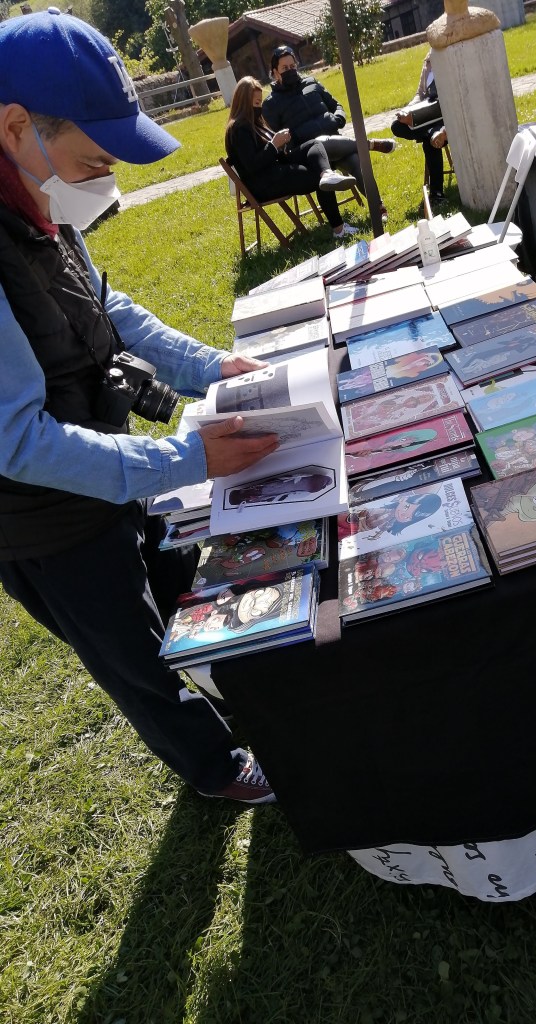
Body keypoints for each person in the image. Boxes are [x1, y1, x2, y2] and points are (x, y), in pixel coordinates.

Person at [0, 10, 284, 805]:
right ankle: (214, 768)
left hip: (112, 467)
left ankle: (233, 698)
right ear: (16, 127)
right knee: (133, 653)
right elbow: (18, 440)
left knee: (175, 583)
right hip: (46, 521)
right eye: (93, 160)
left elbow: (105, 305)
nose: (104, 181)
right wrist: (187, 459)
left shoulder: (32, 196)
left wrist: (210, 365)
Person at [262, 45, 395, 224]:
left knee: (356, 161)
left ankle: (378, 207)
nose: (290, 70)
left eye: (292, 66)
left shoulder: (311, 83)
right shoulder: (271, 104)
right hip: (309, 154)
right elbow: (277, 140)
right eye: (285, 68)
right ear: (275, 73)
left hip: (337, 143)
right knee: (320, 142)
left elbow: (336, 105)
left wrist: (338, 118)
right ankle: (368, 144)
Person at [225, 76, 359, 241]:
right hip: (264, 183)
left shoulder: (255, 123)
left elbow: (270, 153)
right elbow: (252, 164)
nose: (259, 107)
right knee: (317, 178)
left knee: (313, 144)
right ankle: (339, 229)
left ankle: (327, 173)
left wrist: (281, 145)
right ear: (245, 102)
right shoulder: (238, 129)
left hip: (275, 170)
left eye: (260, 103)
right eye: (257, 103)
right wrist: (274, 145)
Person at [391, 50, 448, 203]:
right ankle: (433, 133)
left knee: (430, 144)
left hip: (447, 115)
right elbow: (420, 93)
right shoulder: (428, 60)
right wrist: (408, 109)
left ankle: (437, 194)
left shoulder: (449, 54)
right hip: (426, 115)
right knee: (396, 126)